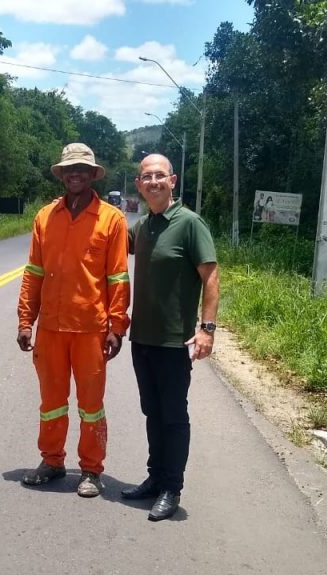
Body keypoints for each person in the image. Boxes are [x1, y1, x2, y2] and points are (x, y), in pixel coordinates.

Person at [17, 143, 130, 498]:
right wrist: (25, 320)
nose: (75, 174)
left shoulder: (112, 219)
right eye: (70, 170)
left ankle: (92, 470)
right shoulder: (45, 217)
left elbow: (118, 277)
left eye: (82, 169)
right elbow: (33, 273)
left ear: (92, 174)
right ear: (63, 175)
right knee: (51, 402)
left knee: (91, 406)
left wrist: (117, 326)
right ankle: (52, 461)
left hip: (90, 330)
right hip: (50, 328)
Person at [122, 153, 219, 521]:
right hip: (142, 338)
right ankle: (154, 478)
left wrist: (206, 329)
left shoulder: (190, 223)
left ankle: (171, 488)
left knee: (174, 416)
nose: (153, 182)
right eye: (147, 177)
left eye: (159, 176)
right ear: (139, 184)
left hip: (174, 341)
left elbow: (211, 276)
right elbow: (109, 241)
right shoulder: (143, 226)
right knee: (152, 412)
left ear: (173, 181)